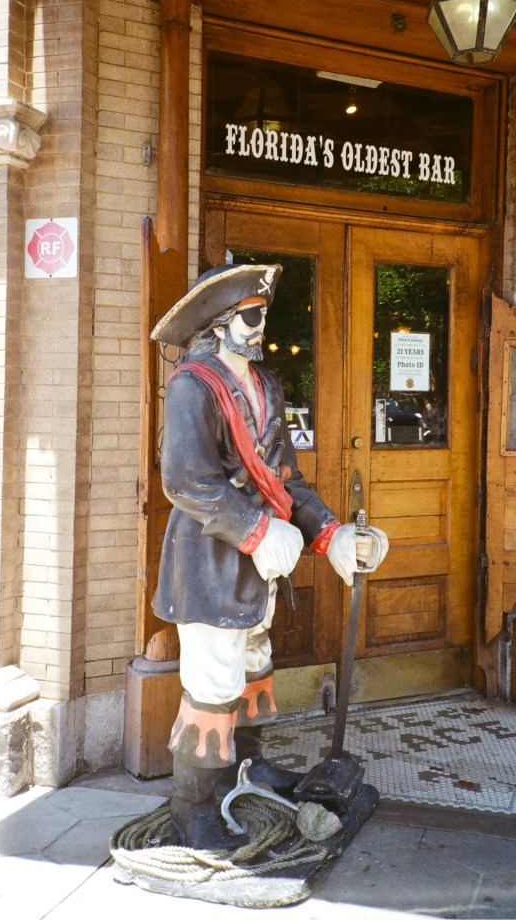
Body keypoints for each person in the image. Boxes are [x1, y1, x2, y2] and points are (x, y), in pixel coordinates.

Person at [150, 262, 388, 849]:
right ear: (220, 321)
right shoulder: (191, 386)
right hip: (210, 564)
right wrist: (258, 531)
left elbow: (286, 479)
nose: (261, 326)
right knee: (213, 681)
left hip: (261, 567)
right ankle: (192, 811)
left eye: (262, 314)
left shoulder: (267, 386)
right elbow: (187, 482)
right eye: (252, 316)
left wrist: (331, 534)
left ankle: (247, 770)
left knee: (255, 662)